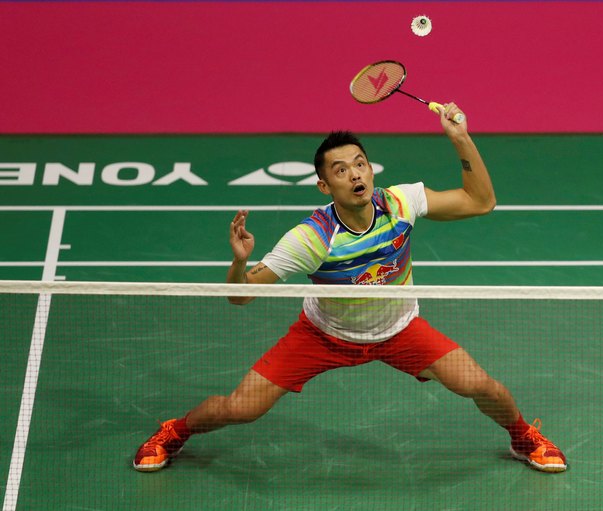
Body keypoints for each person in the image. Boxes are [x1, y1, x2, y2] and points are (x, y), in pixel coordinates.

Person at [133, 104, 566, 474]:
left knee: (483, 387)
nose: (356, 175)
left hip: (400, 330)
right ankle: (175, 430)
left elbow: (481, 202)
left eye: (360, 163)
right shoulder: (311, 238)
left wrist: (460, 138)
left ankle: (523, 436)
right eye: (341, 170)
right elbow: (240, 295)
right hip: (324, 336)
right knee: (240, 409)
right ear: (325, 186)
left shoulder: (401, 202)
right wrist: (241, 262)